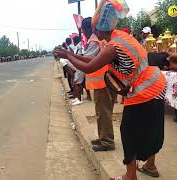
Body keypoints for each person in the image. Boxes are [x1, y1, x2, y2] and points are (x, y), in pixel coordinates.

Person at [54, 0, 166, 179]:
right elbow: (89, 60)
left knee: (129, 133)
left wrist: (67, 55)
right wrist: (69, 55)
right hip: (156, 84)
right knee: (151, 128)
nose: (94, 32)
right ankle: (150, 166)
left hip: (143, 91)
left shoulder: (113, 47)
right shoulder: (119, 36)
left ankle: (130, 176)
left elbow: (89, 67)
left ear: (99, 29)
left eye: (94, 29)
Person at [82, 17, 116, 151]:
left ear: (86, 29)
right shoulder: (100, 39)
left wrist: (70, 57)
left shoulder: (94, 41)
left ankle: (107, 141)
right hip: (104, 81)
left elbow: (87, 60)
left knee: (104, 112)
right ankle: (103, 137)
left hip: (102, 82)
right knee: (102, 112)